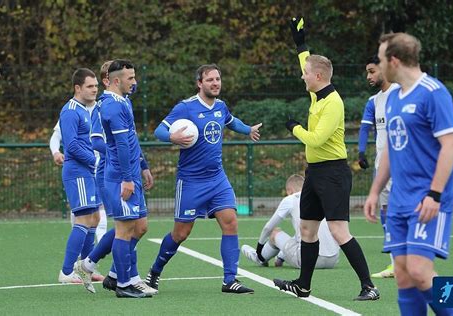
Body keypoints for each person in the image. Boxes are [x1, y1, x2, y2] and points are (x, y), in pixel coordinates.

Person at [273, 17, 379, 301]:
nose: (302, 76)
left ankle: (369, 286)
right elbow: (307, 63)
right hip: (315, 173)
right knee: (307, 229)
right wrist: (300, 43)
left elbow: (317, 139)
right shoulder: (317, 97)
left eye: (306, 73)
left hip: (333, 173)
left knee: (338, 231)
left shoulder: (333, 102)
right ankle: (303, 285)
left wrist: (294, 127)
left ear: (318, 77)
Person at [364, 32, 453, 315]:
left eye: (380, 61)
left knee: (419, 270)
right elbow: (392, 150)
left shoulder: (433, 92)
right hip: (399, 200)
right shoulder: (393, 98)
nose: (379, 66)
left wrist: (435, 194)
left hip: (427, 199)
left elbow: (450, 146)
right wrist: (374, 190)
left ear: (393, 61)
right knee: (404, 275)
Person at [146, 64, 262, 294]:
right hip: (190, 181)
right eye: (210, 80)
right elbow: (159, 130)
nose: (215, 83)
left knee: (230, 221)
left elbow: (231, 121)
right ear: (199, 83)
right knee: (181, 233)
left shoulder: (220, 106)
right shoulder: (185, 107)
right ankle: (154, 272)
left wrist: (247, 129)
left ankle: (230, 280)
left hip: (217, 178)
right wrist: (172, 136)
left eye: (218, 79)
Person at [75, 60, 155, 296]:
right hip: (118, 175)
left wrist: (143, 165)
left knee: (139, 227)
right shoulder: (108, 106)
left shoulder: (123, 101)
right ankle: (125, 282)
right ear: (114, 80)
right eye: (130, 78)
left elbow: (130, 139)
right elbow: (111, 143)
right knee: (125, 228)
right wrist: (127, 177)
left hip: (129, 173)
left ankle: (106, 272)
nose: (135, 82)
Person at [57, 68, 101, 285]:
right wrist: (95, 160)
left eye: (96, 86)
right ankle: (66, 272)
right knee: (84, 219)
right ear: (78, 88)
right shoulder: (70, 111)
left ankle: (86, 267)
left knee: (95, 218)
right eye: (90, 86)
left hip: (87, 172)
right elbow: (72, 145)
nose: (95, 90)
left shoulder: (85, 110)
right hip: (78, 172)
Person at [358, 55, 399, 278]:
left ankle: (407, 262)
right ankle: (395, 263)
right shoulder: (373, 101)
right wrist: (361, 152)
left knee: (401, 212)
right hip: (381, 168)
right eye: (367, 72)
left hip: (402, 166)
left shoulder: (401, 93)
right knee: (386, 211)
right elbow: (365, 128)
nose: (368, 76)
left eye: (372, 71)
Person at [241, 174, 339, 269]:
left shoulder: (290, 199)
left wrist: (259, 247)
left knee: (275, 233)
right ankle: (280, 257)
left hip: (310, 261)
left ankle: (260, 258)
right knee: (305, 233)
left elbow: (268, 227)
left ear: (289, 191)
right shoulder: (319, 197)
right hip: (333, 259)